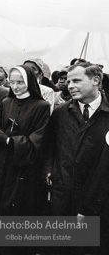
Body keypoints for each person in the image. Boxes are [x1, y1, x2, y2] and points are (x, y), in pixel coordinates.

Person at [45, 63, 109, 254]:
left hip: (99, 199)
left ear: (96, 81)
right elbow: (49, 148)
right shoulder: (61, 113)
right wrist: (50, 172)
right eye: (69, 81)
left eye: (76, 80)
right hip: (63, 196)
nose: (70, 85)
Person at [0, 65, 50, 217]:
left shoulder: (41, 106)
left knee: (19, 206)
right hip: (2, 161)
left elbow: (39, 137)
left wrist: (10, 141)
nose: (15, 87)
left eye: (20, 82)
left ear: (29, 82)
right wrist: (3, 138)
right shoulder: (5, 102)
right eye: (12, 82)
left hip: (23, 164)